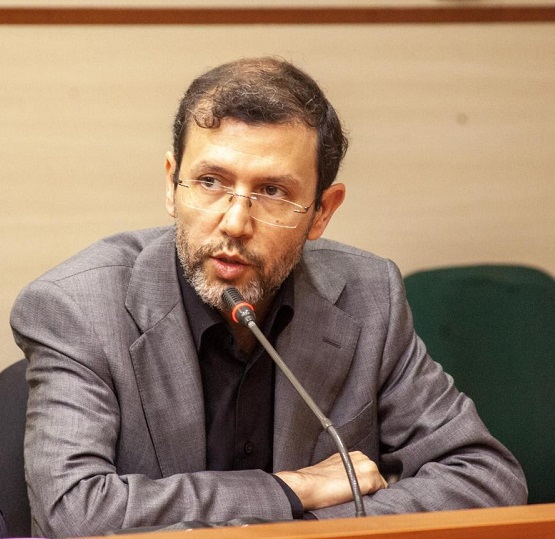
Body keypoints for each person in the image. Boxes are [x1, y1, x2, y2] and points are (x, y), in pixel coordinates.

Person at [11, 57, 527, 538]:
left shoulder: (370, 297)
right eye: (210, 182)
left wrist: (301, 527)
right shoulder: (76, 308)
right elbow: (71, 514)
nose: (235, 222)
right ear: (172, 185)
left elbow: (486, 479)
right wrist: (291, 490)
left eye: (273, 192)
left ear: (322, 211)